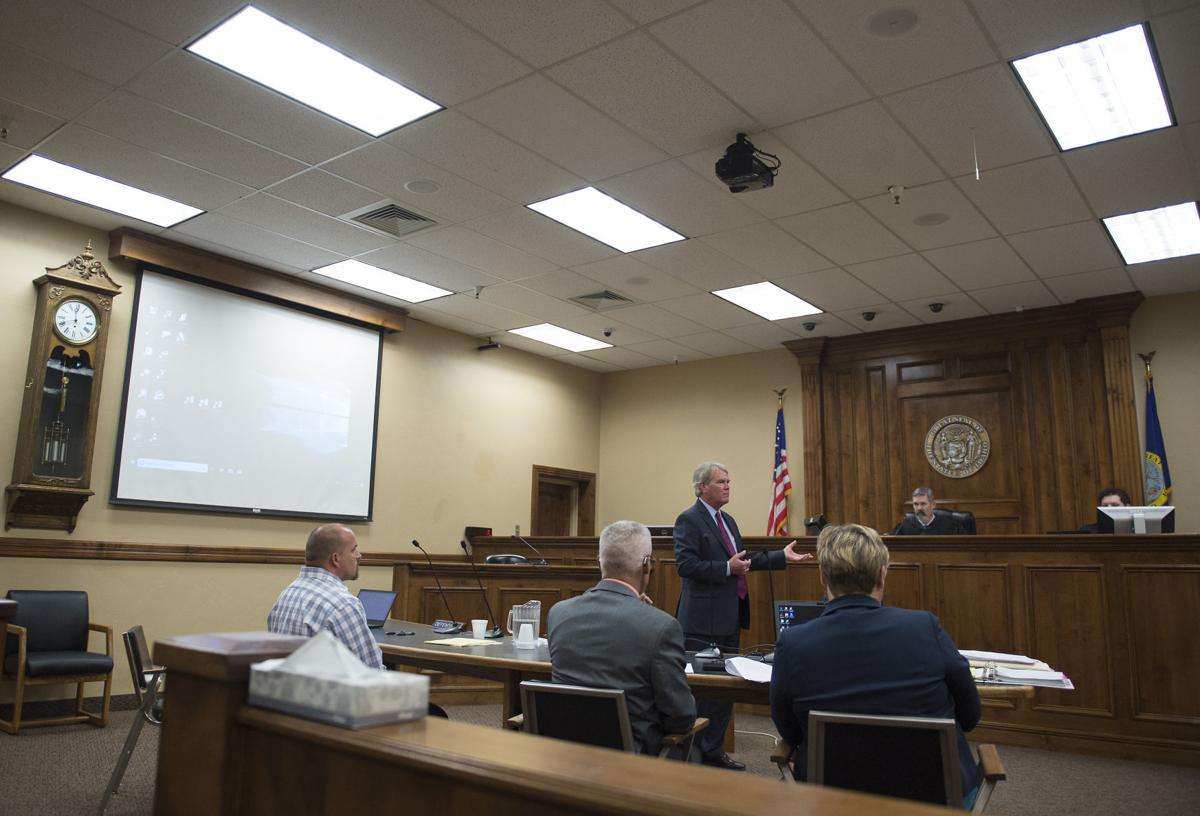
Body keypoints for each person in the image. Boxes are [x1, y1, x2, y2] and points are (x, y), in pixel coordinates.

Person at [770, 523, 982, 806]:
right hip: (934, 799)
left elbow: (790, 732)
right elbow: (969, 716)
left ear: (822, 577)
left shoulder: (793, 642)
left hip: (833, 800)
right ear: (882, 576)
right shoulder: (924, 627)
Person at [673, 461, 809, 770]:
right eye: (721, 481)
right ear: (701, 488)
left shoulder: (728, 521)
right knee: (703, 688)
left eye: (728, 481)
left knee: (726, 690)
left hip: (730, 616)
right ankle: (691, 752)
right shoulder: (688, 520)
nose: (727, 486)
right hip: (701, 620)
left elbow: (742, 562)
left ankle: (713, 750)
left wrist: (779, 557)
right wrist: (725, 568)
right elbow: (685, 566)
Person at [547, 520, 696, 756]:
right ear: (646, 565)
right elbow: (682, 717)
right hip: (629, 765)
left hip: (566, 755)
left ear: (600, 562)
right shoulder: (661, 626)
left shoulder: (558, 613)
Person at [268, 523, 383, 669]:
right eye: (354, 550)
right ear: (336, 559)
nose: (359, 556)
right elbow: (371, 671)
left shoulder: (286, 595)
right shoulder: (343, 605)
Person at [892, 487, 963, 535]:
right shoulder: (905, 525)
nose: (919, 508)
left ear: (933, 505)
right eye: (916, 504)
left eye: (923, 504)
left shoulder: (950, 525)